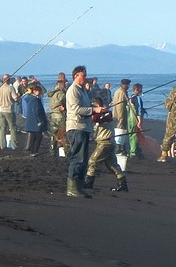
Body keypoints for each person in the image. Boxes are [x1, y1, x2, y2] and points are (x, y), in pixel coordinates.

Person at [84, 96, 128, 193]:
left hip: (105, 143)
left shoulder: (106, 113)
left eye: (94, 106)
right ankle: (122, 183)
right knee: (112, 164)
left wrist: (95, 112)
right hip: (106, 142)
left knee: (92, 161)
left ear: (98, 105)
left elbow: (96, 119)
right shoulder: (103, 113)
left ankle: (89, 182)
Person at [65, 65, 94, 197]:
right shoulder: (73, 90)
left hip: (84, 127)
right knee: (77, 157)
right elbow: (76, 109)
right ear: (76, 76)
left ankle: (79, 187)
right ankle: (72, 188)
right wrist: (94, 110)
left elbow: (86, 107)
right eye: (83, 75)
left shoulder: (82, 91)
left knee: (83, 159)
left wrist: (97, 109)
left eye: (86, 75)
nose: (85, 78)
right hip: (76, 127)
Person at [20, 82, 47, 155]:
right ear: (34, 91)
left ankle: (32, 151)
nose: (40, 92)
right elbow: (36, 111)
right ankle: (34, 151)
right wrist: (40, 121)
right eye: (38, 91)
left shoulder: (29, 98)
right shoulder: (35, 99)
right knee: (38, 137)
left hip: (31, 121)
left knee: (33, 137)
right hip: (35, 122)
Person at [47, 72, 68, 155]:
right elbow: (64, 101)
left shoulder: (52, 94)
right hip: (60, 116)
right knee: (63, 134)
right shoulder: (61, 93)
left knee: (53, 134)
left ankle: (52, 150)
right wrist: (64, 107)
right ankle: (66, 151)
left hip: (53, 115)